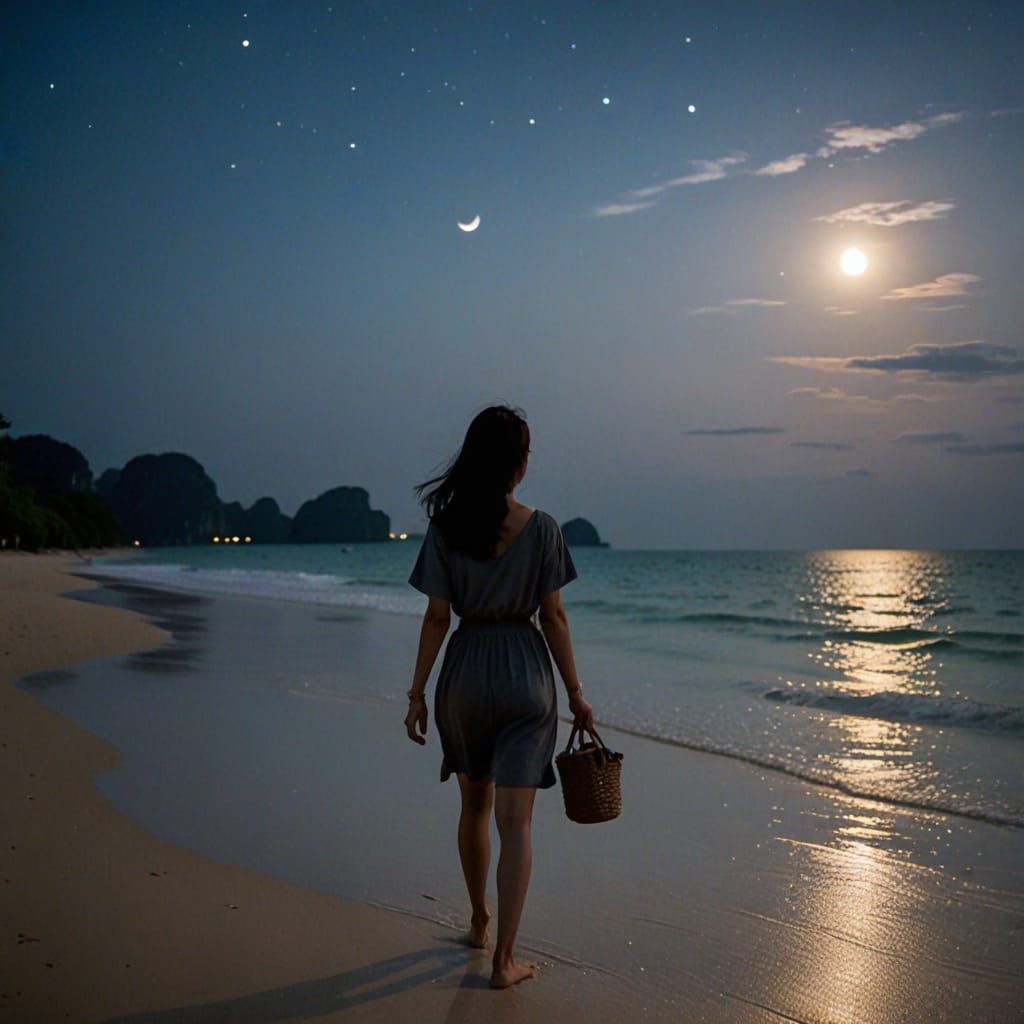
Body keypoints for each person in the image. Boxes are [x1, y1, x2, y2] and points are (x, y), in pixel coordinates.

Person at [405, 404, 595, 990]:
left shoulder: (445, 528)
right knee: (518, 823)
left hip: (464, 677)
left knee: (474, 808)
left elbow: (437, 617)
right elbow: (554, 616)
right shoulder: (543, 529)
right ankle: (504, 960)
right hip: (524, 677)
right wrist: (577, 694)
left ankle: (479, 920)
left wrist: (416, 692)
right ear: (517, 462)